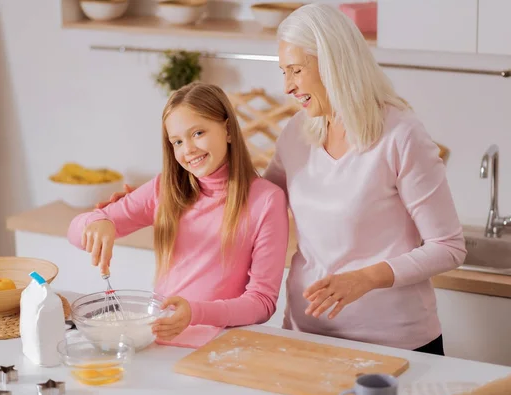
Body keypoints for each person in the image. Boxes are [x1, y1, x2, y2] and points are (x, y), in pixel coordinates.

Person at [98, 5, 467, 355]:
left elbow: (449, 246)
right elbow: (251, 198)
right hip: (306, 335)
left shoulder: (400, 135)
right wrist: (164, 198)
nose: (288, 86)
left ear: (332, 62)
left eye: (296, 70)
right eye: (284, 72)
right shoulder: (298, 132)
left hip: (395, 342)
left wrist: (365, 278)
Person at [67, 82, 289, 342]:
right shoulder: (165, 190)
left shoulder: (266, 200)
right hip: (159, 341)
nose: (188, 149)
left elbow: (262, 303)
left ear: (228, 130)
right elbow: (74, 233)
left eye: (198, 133)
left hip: (219, 346)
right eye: (177, 141)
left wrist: (195, 312)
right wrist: (98, 222)